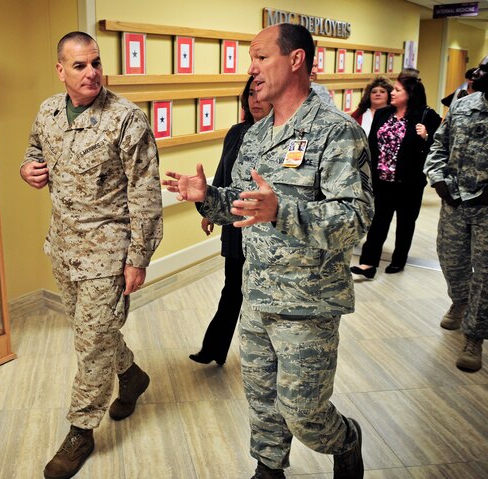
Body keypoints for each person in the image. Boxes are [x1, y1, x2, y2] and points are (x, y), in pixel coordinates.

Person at [163, 23, 372, 479]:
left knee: (304, 413)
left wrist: (283, 210)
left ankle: (347, 439)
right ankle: (269, 468)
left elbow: (354, 221)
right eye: (251, 59)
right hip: (256, 295)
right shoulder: (255, 137)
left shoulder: (338, 133)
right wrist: (207, 197)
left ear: (295, 60)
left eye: (261, 57)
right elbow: (239, 206)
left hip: (308, 303)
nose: (251, 68)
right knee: (261, 401)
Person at [20, 31, 163, 479]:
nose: (92, 73)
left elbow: (146, 194)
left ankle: (81, 428)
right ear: (60, 70)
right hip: (63, 248)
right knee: (94, 334)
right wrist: (27, 168)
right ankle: (132, 376)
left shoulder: (126, 119)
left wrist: (138, 258)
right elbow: (32, 153)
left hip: (107, 252)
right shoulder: (47, 111)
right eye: (80, 66)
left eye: (96, 63)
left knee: (90, 342)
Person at [424, 51, 488, 372]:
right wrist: (437, 178)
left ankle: (475, 336)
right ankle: (460, 299)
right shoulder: (462, 105)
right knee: (450, 259)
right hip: (455, 202)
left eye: (485, 69)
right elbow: (438, 145)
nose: (474, 72)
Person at [190, 76, 273, 367]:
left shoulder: (277, 134)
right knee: (232, 285)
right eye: (250, 94)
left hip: (264, 229)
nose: (255, 100)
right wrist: (211, 210)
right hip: (235, 222)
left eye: (260, 93)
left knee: (255, 292)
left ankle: (261, 355)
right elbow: (223, 174)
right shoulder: (237, 132)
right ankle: (214, 347)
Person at [351, 76, 441, 278]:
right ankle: (368, 263)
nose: (392, 93)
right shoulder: (383, 114)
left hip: (409, 183)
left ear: (410, 94)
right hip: (381, 181)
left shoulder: (427, 117)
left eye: (398, 90)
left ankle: (399, 260)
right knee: (378, 223)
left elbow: (439, 149)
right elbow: (372, 146)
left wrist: (426, 137)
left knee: (405, 224)